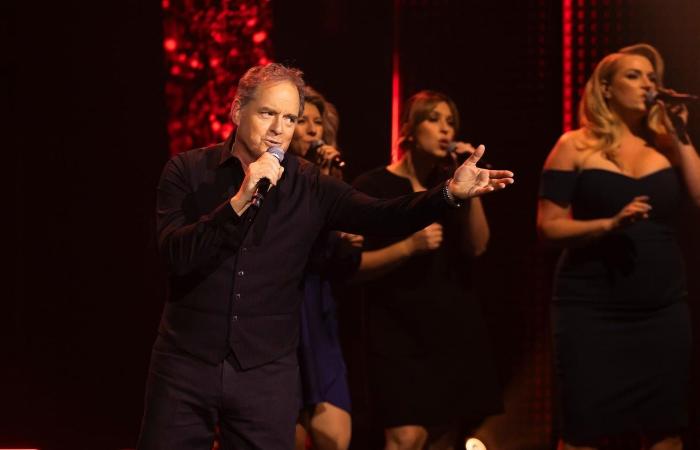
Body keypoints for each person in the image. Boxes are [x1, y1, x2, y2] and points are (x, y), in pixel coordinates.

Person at [137, 63, 514, 450]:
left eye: (289, 118)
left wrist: (448, 194)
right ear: (237, 111)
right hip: (185, 364)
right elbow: (175, 256)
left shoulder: (310, 183)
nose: (278, 129)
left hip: (265, 371)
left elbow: (382, 215)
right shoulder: (186, 171)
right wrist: (239, 201)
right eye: (268, 113)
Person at [537, 43, 700, 450]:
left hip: (661, 308)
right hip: (591, 309)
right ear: (605, 88)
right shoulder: (573, 145)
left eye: (652, 77)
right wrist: (608, 224)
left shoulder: (667, 146)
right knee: (584, 432)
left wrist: (681, 135)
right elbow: (548, 227)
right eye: (634, 75)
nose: (647, 84)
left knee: (665, 430)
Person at [353, 90, 504, 450]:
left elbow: (478, 246)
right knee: (405, 436)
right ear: (409, 129)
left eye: (450, 122)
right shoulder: (374, 187)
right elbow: (353, 268)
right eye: (433, 119)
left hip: (451, 326)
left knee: (443, 435)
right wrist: (409, 246)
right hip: (397, 332)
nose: (444, 130)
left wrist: (471, 189)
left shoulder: (452, 185)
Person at [290, 87, 357, 450]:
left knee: (336, 437)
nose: (313, 129)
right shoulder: (275, 185)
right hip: (283, 316)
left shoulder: (331, 183)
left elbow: (344, 264)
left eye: (319, 122)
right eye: (303, 121)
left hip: (320, 319)